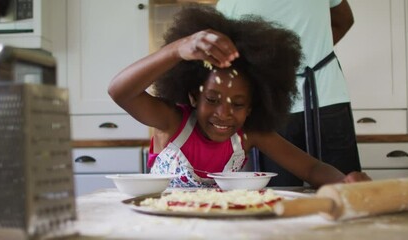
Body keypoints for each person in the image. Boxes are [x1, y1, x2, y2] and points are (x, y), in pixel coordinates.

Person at [108, 5, 370, 188]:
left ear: (253, 106)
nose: (224, 113)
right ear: (192, 96)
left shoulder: (250, 134)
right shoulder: (171, 121)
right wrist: (178, 50)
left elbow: (311, 169)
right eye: (212, 99)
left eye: (239, 103)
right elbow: (119, 91)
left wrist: (343, 181)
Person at [217, 0, 364, 186]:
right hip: (310, 100)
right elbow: (344, 20)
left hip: (293, 102)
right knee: (342, 193)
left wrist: (291, 60)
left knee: (281, 198)